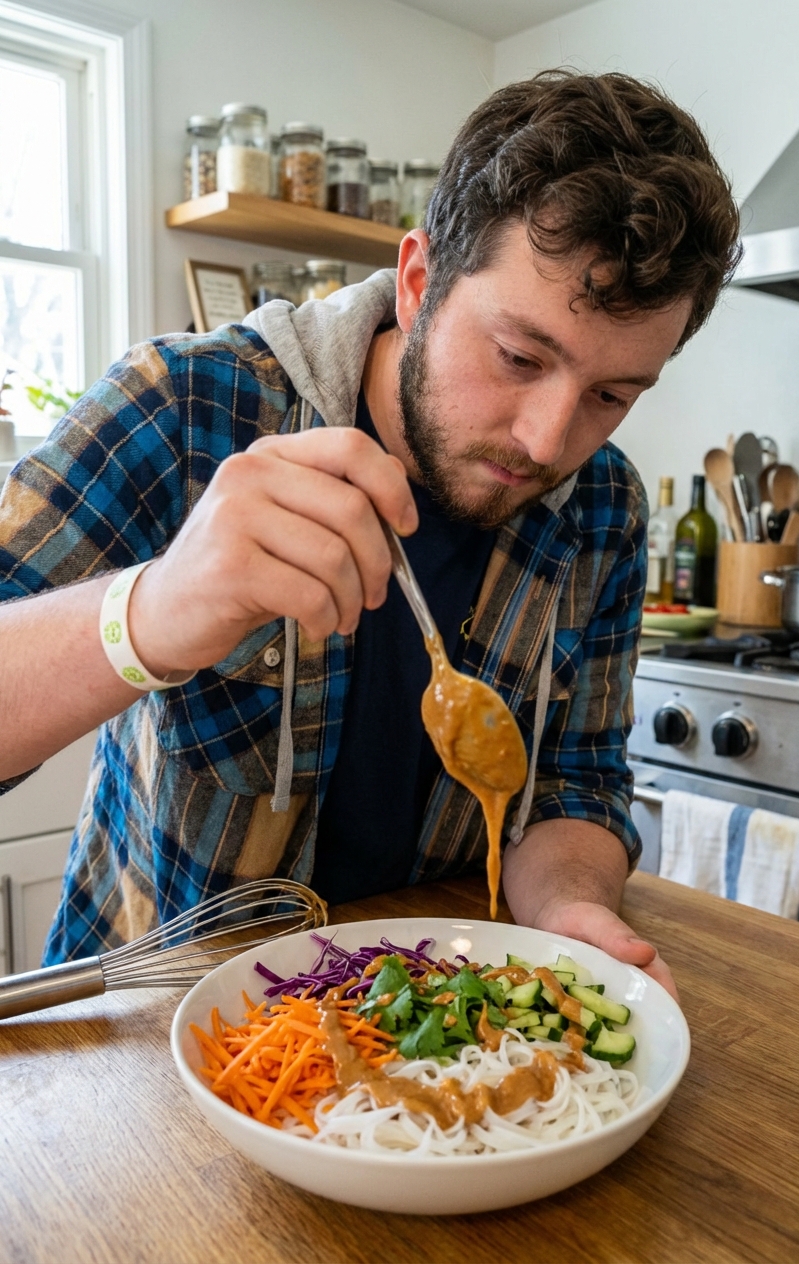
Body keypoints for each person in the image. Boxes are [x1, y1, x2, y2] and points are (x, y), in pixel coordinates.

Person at [0, 71, 740, 993]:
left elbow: (574, 784)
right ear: (419, 280)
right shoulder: (188, 408)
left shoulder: (605, 511)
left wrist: (571, 912)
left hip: (410, 1039)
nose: (549, 440)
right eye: (518, 356)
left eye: (611, 395)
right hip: (136, 1035)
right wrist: (151, 612)